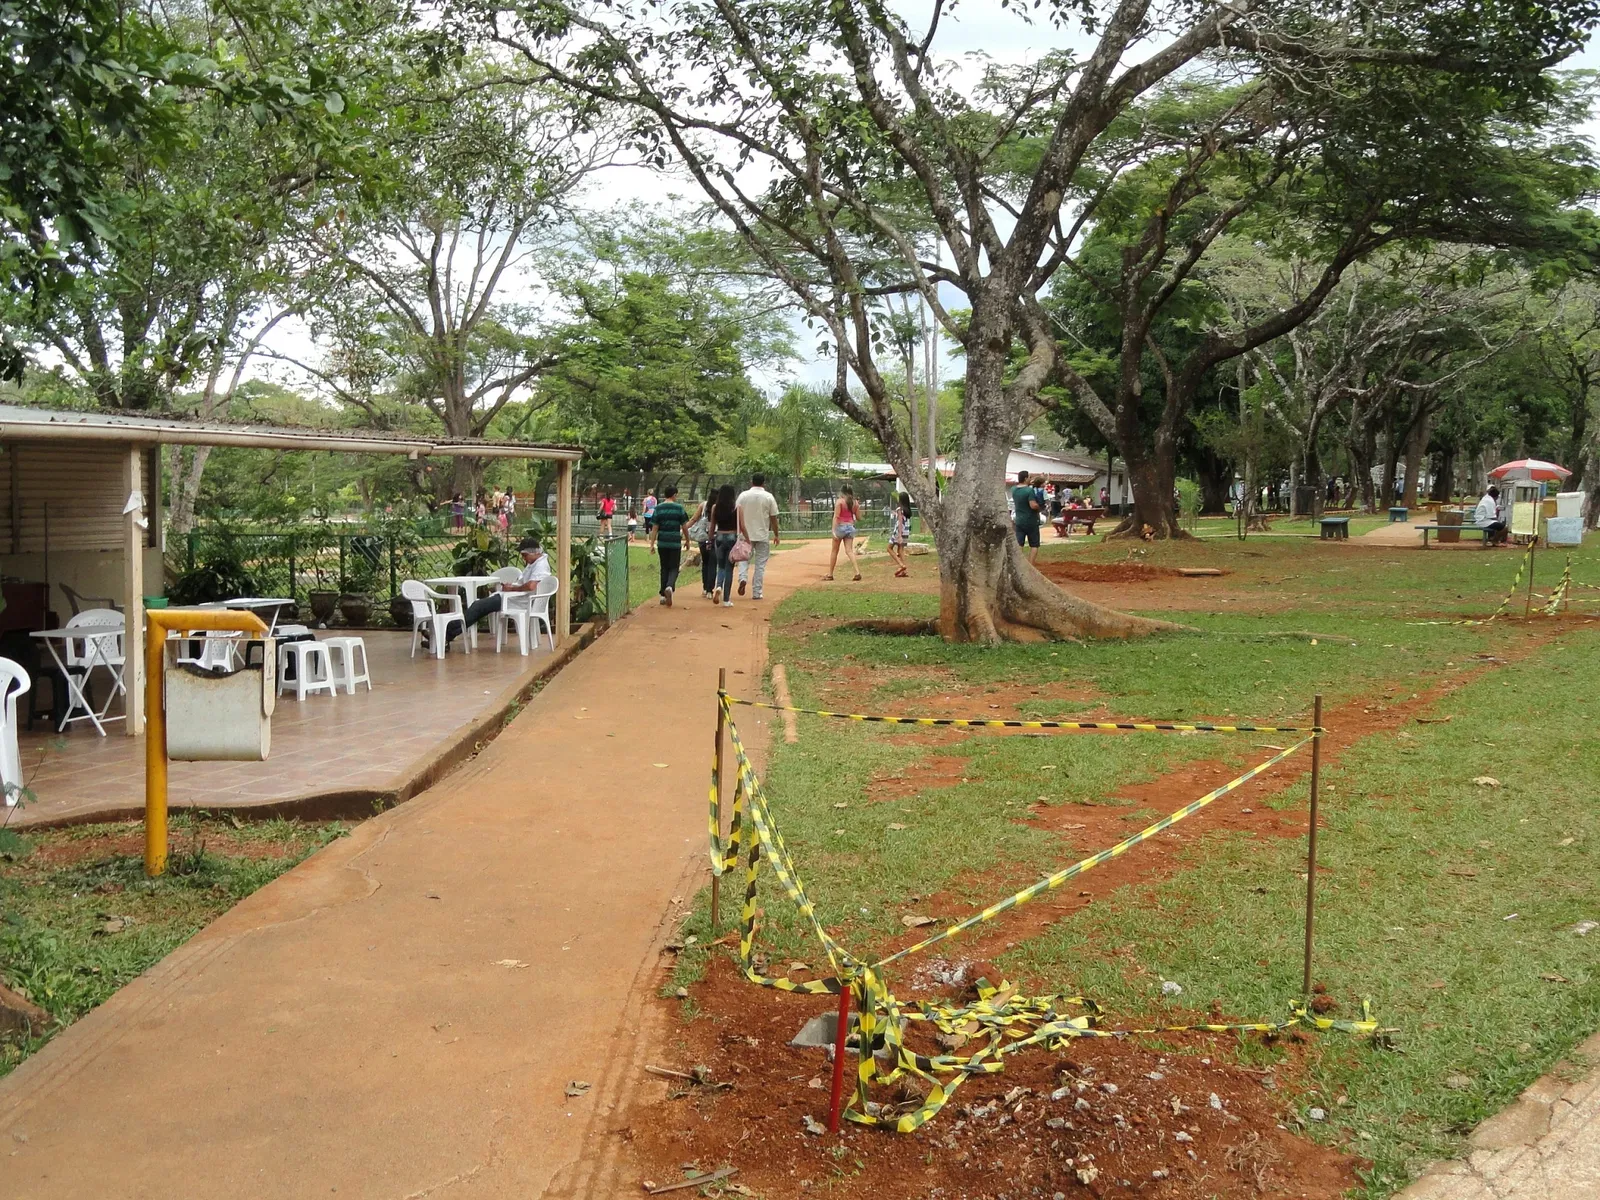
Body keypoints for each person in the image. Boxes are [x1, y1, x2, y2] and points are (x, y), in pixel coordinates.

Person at [445, 536, 552, 651]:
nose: (524, 558)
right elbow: (525, 583)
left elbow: (531, 586)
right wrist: (511, 586)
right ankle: (447, 634)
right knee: (478, 607)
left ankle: (445, 634)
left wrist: (511, 589)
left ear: (534, 553)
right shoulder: (534, 563)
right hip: (513, 598)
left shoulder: (540, 566)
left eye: (525, 555)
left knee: (478, 606)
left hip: (517, 601)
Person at [734, 472, 781, 599]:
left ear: (751, 482)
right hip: (762, 535)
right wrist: (776, 534)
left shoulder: (743, 496)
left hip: (745, 534)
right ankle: (757, 592)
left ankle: (743, 578)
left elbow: (736, 512)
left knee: (744, 559)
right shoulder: (768, 497)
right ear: (763, 483)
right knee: (760, 565)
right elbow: (773, 518)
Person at [648, 485, 689, 605]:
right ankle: (670, 586)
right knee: (674, 567)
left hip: (662, 542)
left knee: (664, 567)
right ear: (674, 495)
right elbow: (684, 526)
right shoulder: (679, 508)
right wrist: (687, 540)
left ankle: (662, 595)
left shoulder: (659, 508)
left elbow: (655, 527)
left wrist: (651, 544)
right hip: (675, 542)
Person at [710, 483, 740, 606]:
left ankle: (718, 587)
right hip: (732, 537)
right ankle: (726, 599)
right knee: (729, 568)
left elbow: (712, 525)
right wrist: (746, 539)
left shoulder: (715, 507)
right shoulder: (737, 507)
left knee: (721, 566)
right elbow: (741, 525)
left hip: (720, 536)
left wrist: (710, 538)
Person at [824, 485, 862, 581]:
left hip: (840, 527)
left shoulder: (840, 502)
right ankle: (857, 572)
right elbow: (859, 518)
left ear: (842, 492)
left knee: (834, 551)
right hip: (850, 527)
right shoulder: (855, 503)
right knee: (849, 551)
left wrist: (833, 530)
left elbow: (836, 517)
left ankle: (830, 574)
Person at [1012, 468, 1043, 564]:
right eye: (1029, 477)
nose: (1030, 479)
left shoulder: (1014, 490)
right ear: (1025, 479)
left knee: (1019, 543)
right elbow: (1033, 505)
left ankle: (1017, 564)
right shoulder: (1029, 491)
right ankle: (1030, 565)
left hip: (1019, 520)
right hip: (1031, 520)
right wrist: (1039, 506)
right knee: (1034, 544)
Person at [887, 492, 911, 578]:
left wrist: (899, 535)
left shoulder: (899, 509)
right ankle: (904, 570)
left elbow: (900, 522)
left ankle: (901, 565)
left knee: (889, 548)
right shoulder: (907, 510)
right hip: (906, 531)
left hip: (899, 531)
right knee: (901, 550)